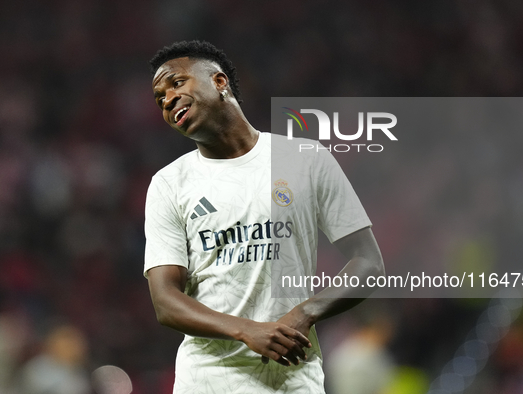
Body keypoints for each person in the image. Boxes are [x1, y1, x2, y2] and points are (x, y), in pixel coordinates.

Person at [144, 40, 385, 393]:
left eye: (176, 83)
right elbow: (165, 302)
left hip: (292, 378)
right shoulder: (169, 184)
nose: (167, 99)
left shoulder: (305, 158)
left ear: (219, 82)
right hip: (209, 380)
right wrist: (247, 329)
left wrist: (305, 314)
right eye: (159, 98)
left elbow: (368, 262)